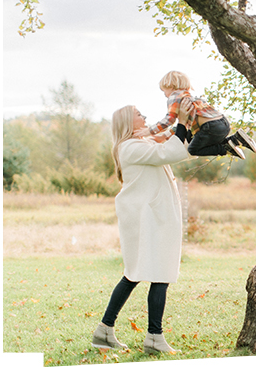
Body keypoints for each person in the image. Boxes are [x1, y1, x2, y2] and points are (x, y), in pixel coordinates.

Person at [92, 105, 192, 354]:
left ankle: (104, 331)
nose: (144, 117)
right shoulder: (131, 147)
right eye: (139, 114)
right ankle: (154, 338)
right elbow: (170, 153)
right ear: (128, 121)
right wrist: (180, 122)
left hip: (151, 217)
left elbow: (170, 142)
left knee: (135, 273)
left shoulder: (139, 144)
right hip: (149, 218)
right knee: (159, 273)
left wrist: (184, 124)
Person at [147, 70, 256, 161]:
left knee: (193, 150)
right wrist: (165, 136)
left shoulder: (174, 96)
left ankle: (226, 148)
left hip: (209, 127)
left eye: (164, 91)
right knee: (195, 139)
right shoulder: (191, 98)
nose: (165, 95)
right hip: (223, 124)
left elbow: (169, 120)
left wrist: (149, 131)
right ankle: (236, 139)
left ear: (170, 86)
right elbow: (182, 124)